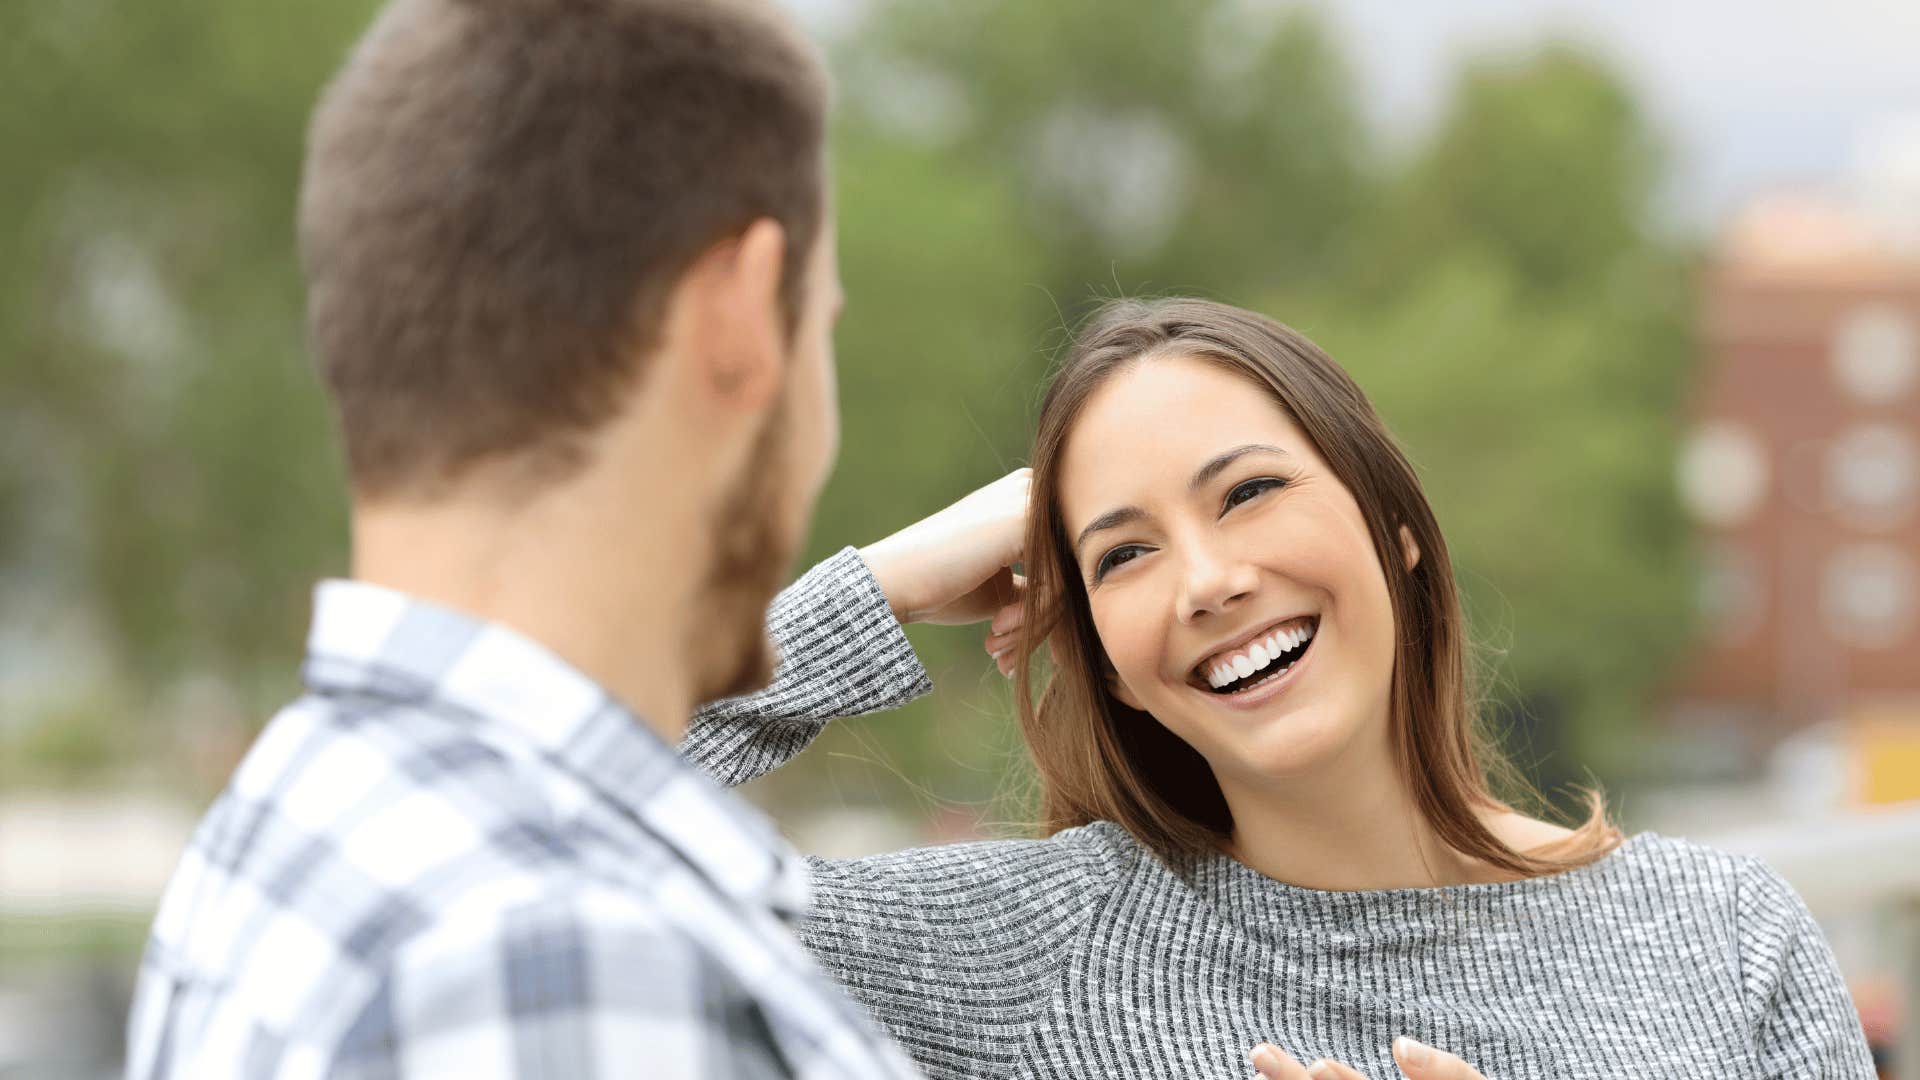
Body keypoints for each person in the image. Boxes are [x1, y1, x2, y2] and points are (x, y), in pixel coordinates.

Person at [685, 297, 1878, 1079]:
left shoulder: (1720, 941)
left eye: (1248, 492)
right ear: (1109, 664)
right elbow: (516, 826)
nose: (1206, 579)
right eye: (1125, 553)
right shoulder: (1025, 956)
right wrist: (883, 584)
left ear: (1395, 530)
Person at [124, 0, 921, 1074]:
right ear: (738, 315)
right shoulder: (565, 960)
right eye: (820, 323)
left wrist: (868, 600)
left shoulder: (308, 807)